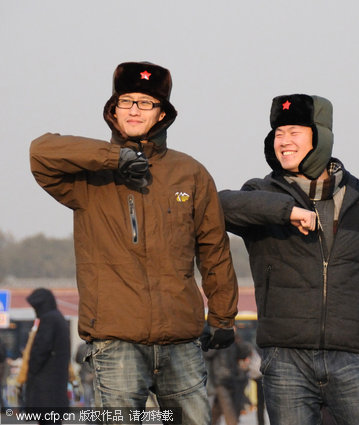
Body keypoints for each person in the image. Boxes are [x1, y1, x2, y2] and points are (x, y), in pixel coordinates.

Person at [30, 61, 239, 425]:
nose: (134, 110)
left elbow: (214, 250)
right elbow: (40, 151)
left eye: (145, 103)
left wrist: (222, 316)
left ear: (162, 113)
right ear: (113, 110)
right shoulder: (89, 177)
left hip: (181, 342)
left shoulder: (190, 173)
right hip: (116, 341)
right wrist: (117, 158)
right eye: (126, 101)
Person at [219, 94, 359, 425]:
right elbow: (220, 206)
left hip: (352, 357)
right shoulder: (261, 194)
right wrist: (285, 212)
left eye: (294, 131)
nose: (283, 141)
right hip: (285, 357)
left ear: (320, 136)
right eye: (278, 133)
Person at [24, 288, 70, 423]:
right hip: (55, 386)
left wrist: (32, 367)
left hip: (46, 387)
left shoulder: (49, 319)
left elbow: (41, 349)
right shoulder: (57, 318)